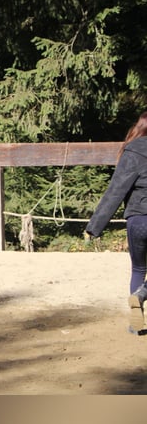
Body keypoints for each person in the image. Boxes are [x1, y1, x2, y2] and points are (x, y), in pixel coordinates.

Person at [85, 111, 147, 335]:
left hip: (137, 219)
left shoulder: (132, 152)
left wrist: (94, 227)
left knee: (139, 268)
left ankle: (135, 323)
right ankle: (142, 294)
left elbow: (116, 191)